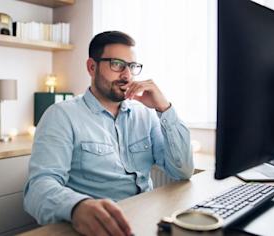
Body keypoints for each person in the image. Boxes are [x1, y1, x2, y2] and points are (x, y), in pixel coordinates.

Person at [24, 31, 194, 236]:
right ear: (91, 67)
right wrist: (77, 207)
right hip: (98, 229)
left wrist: (164, 108)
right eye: (117, 64)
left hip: (146, 222)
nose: (127, 75)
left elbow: (182, 171)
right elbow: (38, 189)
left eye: (132, 66)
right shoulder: (61, 115)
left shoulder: (145, 114)